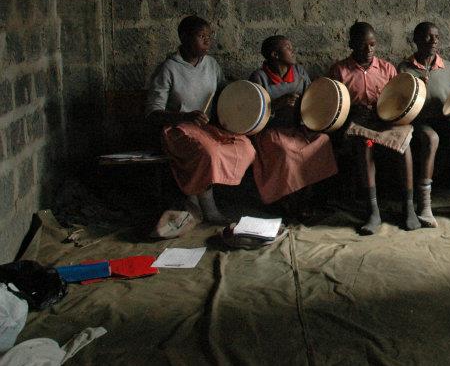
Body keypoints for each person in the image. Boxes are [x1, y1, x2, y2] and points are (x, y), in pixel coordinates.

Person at [145, 15, 255, 225]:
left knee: (245, 147)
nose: (207, 41)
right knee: (208, 153)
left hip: (206, 128)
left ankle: (193, 199)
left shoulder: (212, 65)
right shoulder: (169, 68)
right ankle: (208, 208)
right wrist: (185, 116)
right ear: (184, 37)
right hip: (178, 130)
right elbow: (152, 113)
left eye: (209, 36)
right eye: (201, 36)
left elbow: (224, 92)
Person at [329, 22, 419, 235]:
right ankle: (373, 210)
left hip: (386, 121)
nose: (368, 50)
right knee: (365, 145)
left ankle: (409, 207)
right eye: (362, 45)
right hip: (359, 123)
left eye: (372, 45)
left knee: (404, 145)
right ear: (351, 44)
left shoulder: (387, 68)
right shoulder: (340, 70)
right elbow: (334, 103)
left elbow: (398, 99)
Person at [398, 22, 450, 225]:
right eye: (427, 37)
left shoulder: (448, 67)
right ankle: (424, 205)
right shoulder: (405, 68)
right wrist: (419, 89)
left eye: (436, 37)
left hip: (446, 119)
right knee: (431, 138)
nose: (433, 41)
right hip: (420, 121)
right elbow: (400, 101)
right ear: (415, 40)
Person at [248, 36, 338, 215]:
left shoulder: (299, 73)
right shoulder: (259, 77)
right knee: (286, 152)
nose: (293, 50)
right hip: (271, 132)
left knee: (323, 140)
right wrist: (277, 104)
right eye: (288, 48)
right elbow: (253, 112)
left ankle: (308, 198)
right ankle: (289, 201)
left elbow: (311, 99)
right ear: (274, 54)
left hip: (297, 129)